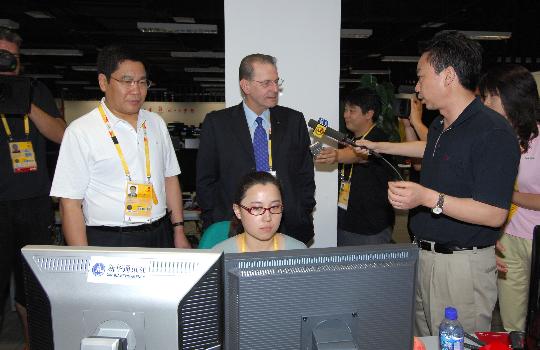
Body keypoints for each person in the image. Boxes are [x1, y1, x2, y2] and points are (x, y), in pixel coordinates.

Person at [356, 31, 520, 336]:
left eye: (421, 77)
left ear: (448, 76)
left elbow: (494, 213)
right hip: (424, 256)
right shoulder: (441, 125)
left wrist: (427, 197)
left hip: (460, 267)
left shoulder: (492, 132)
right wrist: (381, 146)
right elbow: (431, 149)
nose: (417, 87)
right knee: (424, 341)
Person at [50, 44, 190, 249]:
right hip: (110, 238)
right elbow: (70, 203)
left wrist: (178, 230)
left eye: (142, 82)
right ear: (103, 82)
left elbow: (170, 178)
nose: (136, 90)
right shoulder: (81, 131)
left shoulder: (155, 123)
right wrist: (83, 258)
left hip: (160, 233)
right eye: (127, 81)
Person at [196, 53, 316, 244]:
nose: (275, 89)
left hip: (288, 224)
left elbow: (305, 173)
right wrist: (215, 220)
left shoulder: (293, 121)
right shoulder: (217, 123)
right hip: (234, 226)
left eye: (276, 81)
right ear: (246, 86)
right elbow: (206, 180)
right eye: (266, 83)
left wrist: (303, 210)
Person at [0, 28, 66, 350]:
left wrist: (26, 105)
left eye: (13, 56)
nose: (7, 61)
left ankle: (34, 345)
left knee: (33, 285)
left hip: (34, 203)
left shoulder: (35, 90)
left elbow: (61, 135)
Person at [478, 64, 540, 332]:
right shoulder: (492, 138)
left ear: (513, 98)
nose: (485, 104)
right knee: (513, 323)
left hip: (536, 238)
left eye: (491, 96)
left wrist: (507, 193)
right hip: (506, 239)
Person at [315, 87, 395, 245]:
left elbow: (359, 155)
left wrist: (337, 155)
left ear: (369, 114)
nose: (345, 115)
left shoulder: (378, 138)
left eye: (352, 111)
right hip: (345, 222)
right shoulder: (349, 138)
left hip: (371, 228)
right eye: (345, 110)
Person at [212, 171, 306, 253]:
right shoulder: (219, 256)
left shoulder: (299, 252)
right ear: (238, 211)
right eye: (257, 208)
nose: (268, 217)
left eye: (274, 207)